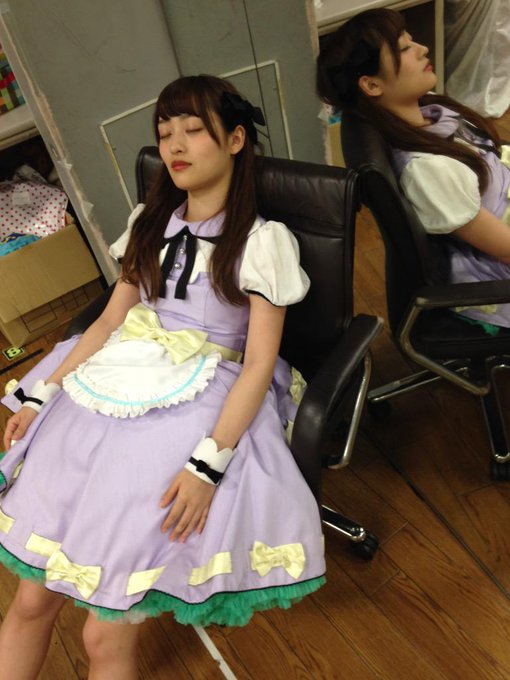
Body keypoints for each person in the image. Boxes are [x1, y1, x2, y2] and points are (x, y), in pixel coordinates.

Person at [0, 75, 325, 680]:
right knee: (30, 603)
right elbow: (107, 322)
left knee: (102, 635)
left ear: (234, 140)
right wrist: (43, 396)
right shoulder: (150, 220)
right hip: (116, 378)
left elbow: (258, 363)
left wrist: (206, 467)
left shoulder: (262, 242)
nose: (174, 144)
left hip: (205, 395)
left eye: (193, 130)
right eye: (165, 131)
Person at [317, 8, 510, 331]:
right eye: (405, 48)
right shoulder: (427, 171)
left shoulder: (430, 111)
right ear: (372, 85)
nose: (423, 49)